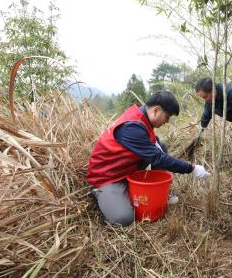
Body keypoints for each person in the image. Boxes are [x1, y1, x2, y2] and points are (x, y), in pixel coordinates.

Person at [87, 91, 211, 226]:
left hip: (125, 169)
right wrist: (191, 168)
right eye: (167, 116)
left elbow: (156, 150)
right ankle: (101, 194)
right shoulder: (131, 126)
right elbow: (158, 158)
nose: (167, 122)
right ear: (156, 110)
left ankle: (156, 192)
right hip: (107, 177)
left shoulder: (143, 118)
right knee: (124, 219)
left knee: (160, 145)